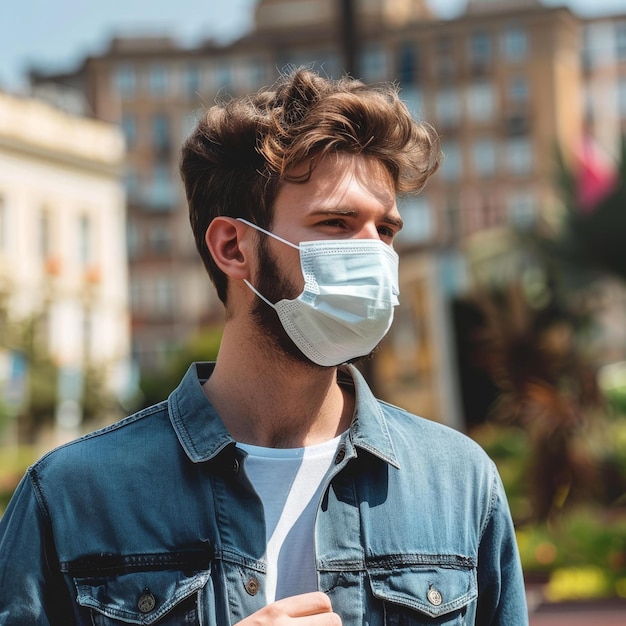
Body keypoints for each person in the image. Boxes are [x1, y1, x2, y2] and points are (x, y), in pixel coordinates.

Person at [0, 69, 528, 625]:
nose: (374, 255)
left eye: (386, 230)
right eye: (337, 223)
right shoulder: (71, 497)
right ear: (234, 246)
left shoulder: (459, 483)